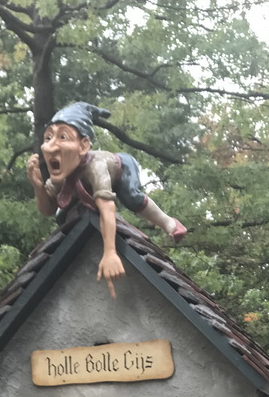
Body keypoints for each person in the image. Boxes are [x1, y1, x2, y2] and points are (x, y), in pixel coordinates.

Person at [26, 101, 187, 298]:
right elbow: (48, 210)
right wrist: (38, 186)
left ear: (83, 145)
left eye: (63, 137)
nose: (50, 147)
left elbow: (107, 209)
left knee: (132, 198)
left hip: (121, 167)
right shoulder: (63, 173)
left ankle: (168, 222)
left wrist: (110, 252)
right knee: (63, 215)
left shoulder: (95, 167)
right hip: (85, 186)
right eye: (48, 137)